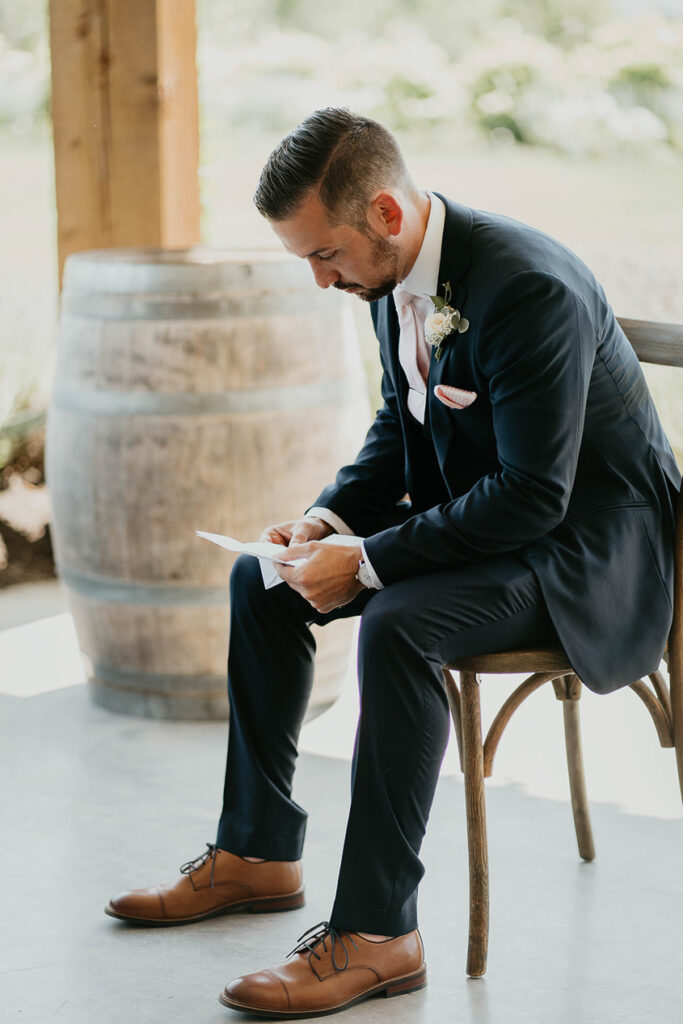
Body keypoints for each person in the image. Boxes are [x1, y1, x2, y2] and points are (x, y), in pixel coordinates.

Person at [105, 108, 680, 1019]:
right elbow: (400, 428)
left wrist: (368, 563)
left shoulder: (525, 288)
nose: (316, 278)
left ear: (383, 211)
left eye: (321, 255)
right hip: (497, 526)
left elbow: (536, 495)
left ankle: (379, 934)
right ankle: (257, 851)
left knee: (402, 622)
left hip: (588, 552)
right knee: (263, 580)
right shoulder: (391, 279)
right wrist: (321, 522)